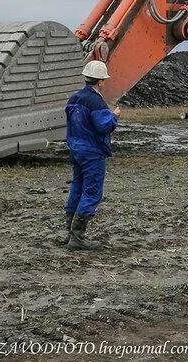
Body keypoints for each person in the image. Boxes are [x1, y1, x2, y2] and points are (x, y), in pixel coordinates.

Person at [61, 60, 120, 250]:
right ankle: (77, 238)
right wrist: (115, 116)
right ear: (100, 81)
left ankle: (69, 233)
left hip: (76, 149)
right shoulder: (96, 101)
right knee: (92, 191)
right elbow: (104, 126)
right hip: (92, 152)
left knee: (77, 188)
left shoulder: (74, 98)